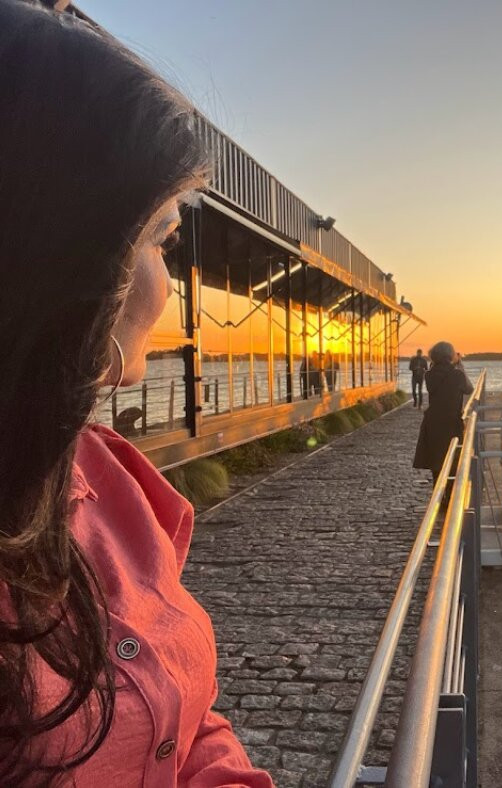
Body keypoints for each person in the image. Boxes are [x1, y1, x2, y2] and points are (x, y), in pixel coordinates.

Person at [0, 3, 273, 784]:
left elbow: (186, 717)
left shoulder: (115, 484)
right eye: (160, 239)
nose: (170, 286)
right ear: (61, 259)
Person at [413, 342, 474, 487]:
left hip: (433, 422)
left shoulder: (429, 375)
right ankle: (450, 495)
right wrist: (460, 366)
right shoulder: (457, 374)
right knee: (452, 461)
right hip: (451, 421)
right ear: (450, 355)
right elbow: (469, 389)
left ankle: (438, 493)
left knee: (436, 463)